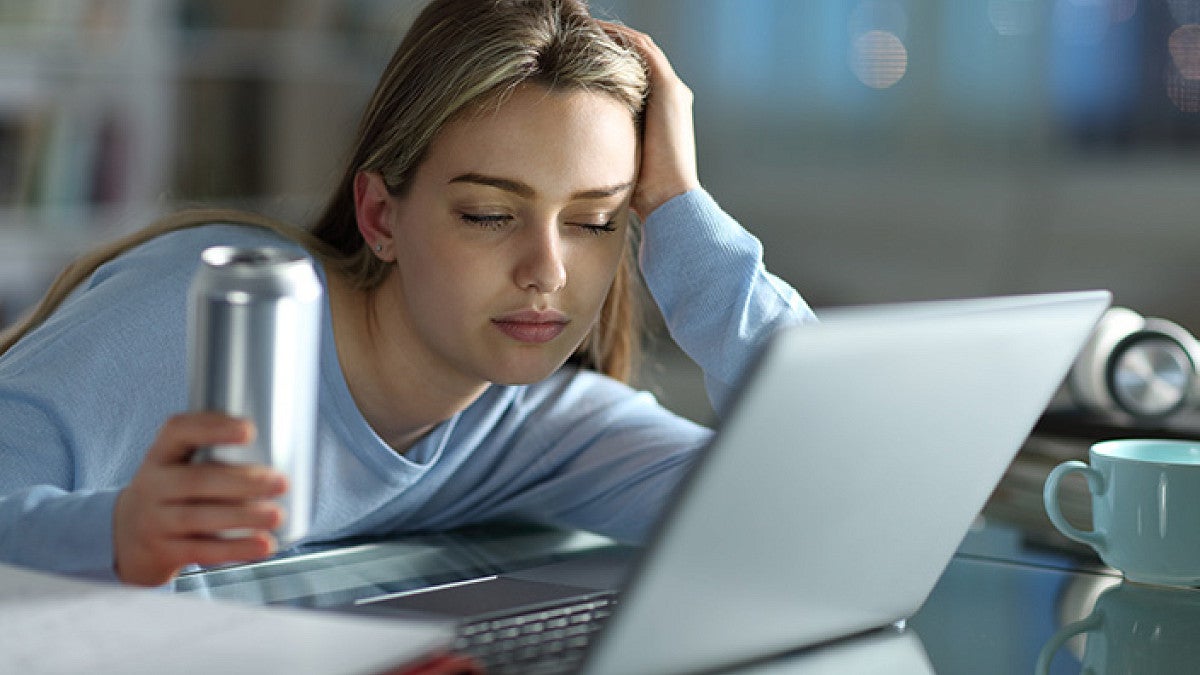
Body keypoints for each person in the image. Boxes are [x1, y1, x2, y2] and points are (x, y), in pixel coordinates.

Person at [0, 0, 814, 587]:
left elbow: (816, 505)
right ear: (380, 214)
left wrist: (680, 208)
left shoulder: (537, 425)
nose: (548, 270)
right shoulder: (209, 306)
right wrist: (114, 532)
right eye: (491, 214)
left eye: (595, 221)